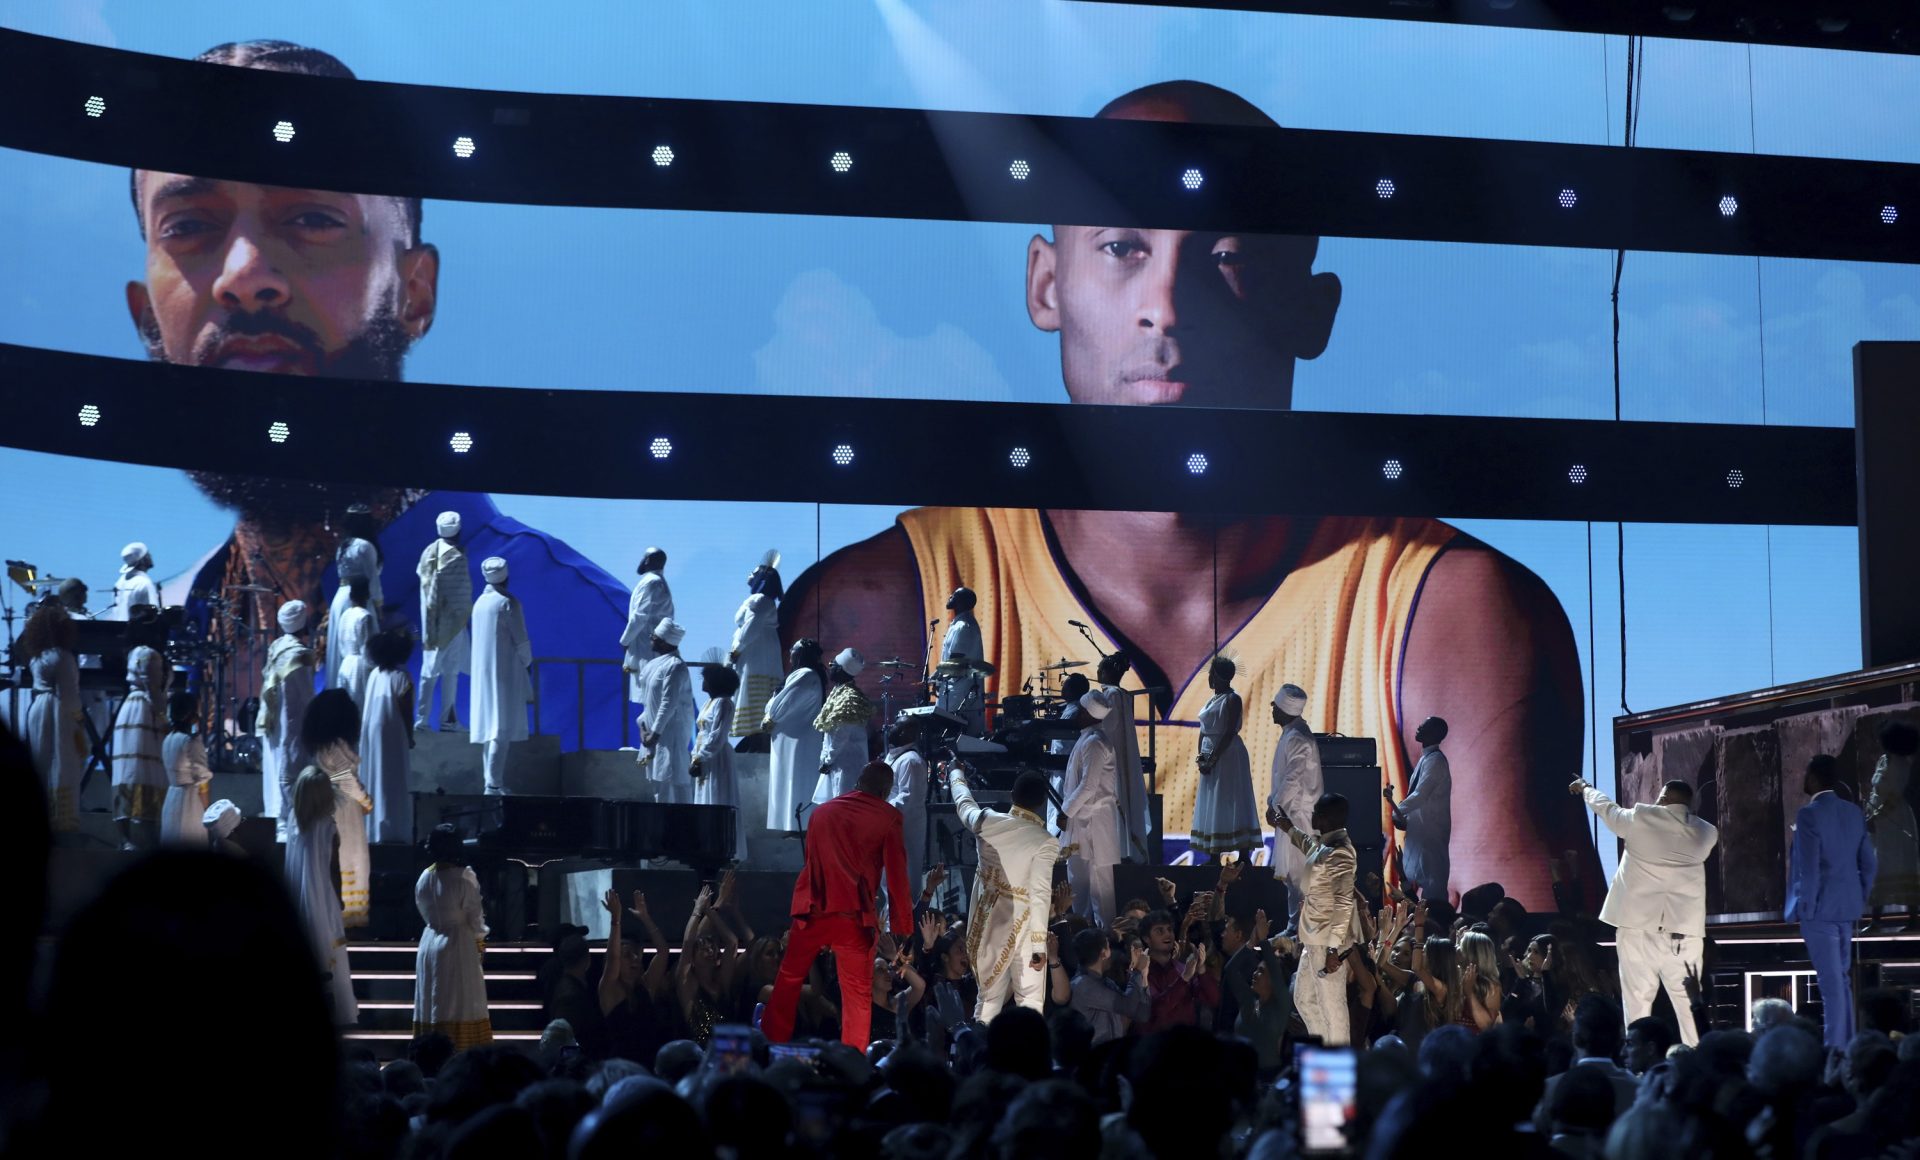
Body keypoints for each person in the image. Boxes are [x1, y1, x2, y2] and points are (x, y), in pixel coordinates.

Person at [782, 86, 1592, 912]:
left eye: (1227, 256)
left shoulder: (1452, 613)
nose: (1165, 308)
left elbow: (1526, 958)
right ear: (1047, 283)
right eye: (1122, 247)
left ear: (1311, 310)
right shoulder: (886, 600)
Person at [137, 43, 628, 750]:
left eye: (310, 218)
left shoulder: (589, 632)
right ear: (147, 321)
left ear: (414, 292)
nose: (243, 276)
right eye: (189, 226)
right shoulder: (145, 634)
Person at [763, 760, 912, 1049]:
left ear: (857, 783)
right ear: (885, 791)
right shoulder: (888, 817)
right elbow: (897, 875)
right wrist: (902, 924)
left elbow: (811, 864)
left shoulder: (821, 812)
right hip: (853, 917)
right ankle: (853, 1058)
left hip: (813, 910)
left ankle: (769, 1044)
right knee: (856, 995)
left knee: (789, 979)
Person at [1571, 776, 1718, 1046]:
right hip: (1683, 933)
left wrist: (1586, 789)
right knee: (1690, 1008)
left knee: (1637, 1004)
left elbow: (1608, 810)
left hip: (1637, 928)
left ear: (1664, 798)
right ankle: (1700, 1060)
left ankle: (1637, 1060)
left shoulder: (1641, 818)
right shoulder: (1707, 833)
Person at [947, 764, 1062, 1023]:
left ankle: (975, 1047)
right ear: (1042, 802)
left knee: (987, 1001)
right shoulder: (1044, 841)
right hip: (1027, 927)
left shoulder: (987, 820)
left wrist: (956, 774)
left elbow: (963, 803)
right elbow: (1040, 895)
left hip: (990, 922)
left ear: (1012, 795)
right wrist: (1039, 946)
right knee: (1031, 1003)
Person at [1787, 754, 1877, 1050]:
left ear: (1813, 778)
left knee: (1831, 985)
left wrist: (1806, 908)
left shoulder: (1809, 814)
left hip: (1819, 909)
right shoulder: (1853, 812)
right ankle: (1846, 1044)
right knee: (1842, 981)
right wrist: (1859, 898)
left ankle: (1836, 1050)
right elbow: (1869, 863)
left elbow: (1809, 869)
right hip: (1847, 908)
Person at [1269, 791, 1357, 1045]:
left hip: (1328, 942)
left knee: (1333, 1008)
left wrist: (1333, 949)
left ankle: (1337, 1063)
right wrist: (1287, 827)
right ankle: (1324, 1051)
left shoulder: (1341, 852)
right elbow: (1311, 848)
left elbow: (1343, 903)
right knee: (1304, 999)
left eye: (1317, 812)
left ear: (1327, 818)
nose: (1312, 815)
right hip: (1313, 940)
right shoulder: (1328, 845)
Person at [287, 765, 356, 1025]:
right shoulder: (327, 826)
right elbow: (333, 869)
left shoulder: (295, 822)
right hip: (322, 896)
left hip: (298, 895)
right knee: (327, 951)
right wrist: (340, 900)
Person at [415, 824, 493, 1051]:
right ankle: (459, 1053)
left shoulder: (424, 877)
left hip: (429, 941)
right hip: (458, 943)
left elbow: (423, 910)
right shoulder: (464, 876)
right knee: (460, 1003)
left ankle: (432, 1053)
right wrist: (480, 941)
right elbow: (475, 917)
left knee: (434, 1000)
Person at [303, 688, 372, 929]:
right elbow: (348, 782)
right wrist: (366, 800)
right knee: (350, 857)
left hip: (330, 804)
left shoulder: (321, 746)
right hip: (344, 809)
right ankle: (347, 919)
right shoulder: (336, 747)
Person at [21, 600, 84, 833]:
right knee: (62, 762)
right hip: (58, 711)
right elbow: (69, 694)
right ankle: (61, 824)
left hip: (38, 709)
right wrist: (79, 719)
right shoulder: (63, 656)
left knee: (41, 762)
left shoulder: (36, 657)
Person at [471, 557, 531, 796]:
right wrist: (528, 663)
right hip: (504, 671)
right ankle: (493, 784)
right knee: (500, 727)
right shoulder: (507, 603)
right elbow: (521, 640)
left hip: (483, 672)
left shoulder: (479, 603)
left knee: (490, 727)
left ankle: (491, 781)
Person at [1061, 689, 1120, 925]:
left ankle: (1107, 935)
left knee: (1099, 883)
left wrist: (1065, 812)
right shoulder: (1088, 738)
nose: (1077, 714)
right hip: (1081, 820)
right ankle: (1080, 930)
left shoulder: (1095, 743)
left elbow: (1088, 786)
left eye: (1081, 710)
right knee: (1079, 880)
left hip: (1094, 822)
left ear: (1088, 714)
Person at [259, 599, 316, 842]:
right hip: (292, 722)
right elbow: (306, 694)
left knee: (277, 768)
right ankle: (286, 825)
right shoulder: (298, 654)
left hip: (274, 721)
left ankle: (278, 821)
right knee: (289, 768)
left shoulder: (277, 646)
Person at [1192, 656, 1259, 863]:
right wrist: (1201, 757)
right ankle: (1214, 853)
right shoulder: (1212, 700)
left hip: (1228, 755)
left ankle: (1243, 854)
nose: (1210, 678)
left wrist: (1213, 758)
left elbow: (1229, 731)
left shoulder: (1232, 699)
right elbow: (1203, 731)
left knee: (1232, 798)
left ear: (1220, 676)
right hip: (1210, 754)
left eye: (1212, 674)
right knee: (1214, 801)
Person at [1269, 683, 1323, 936]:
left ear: (1285, 709)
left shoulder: (1298, 738)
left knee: (1300, 875)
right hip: (1289, 814)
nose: (1272, 708)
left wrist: (1275, 807)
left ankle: (1303, 931)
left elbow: (1293, 779)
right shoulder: (1292, 733)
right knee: (1293, 876)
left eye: (1275, 705)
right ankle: (1294, 927)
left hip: (1298, 818)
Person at [1386, 716, 1454, 903]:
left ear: (1435, 734)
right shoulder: (1427, 759)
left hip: (1431, 833)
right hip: (1421, 832)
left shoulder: (1436, 761)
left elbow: (1421, 794)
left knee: (1433, 886)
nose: (1418, 727)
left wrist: (1398, 811)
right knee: (1413, 878)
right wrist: (1405, 819)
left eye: (1424, 726)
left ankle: (1435, 917)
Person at [415, 510, 471, 731]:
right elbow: (460, 596)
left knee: (428, 673)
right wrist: (465, 617)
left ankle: (422, 720)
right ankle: (448, 720)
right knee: (450, 672)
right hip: (451, 624)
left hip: (431, 624)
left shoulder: (428, 552)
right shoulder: (456, 557)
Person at [762, 638, 825, 833]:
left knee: (796, 780)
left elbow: (781, 705)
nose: (790, 653)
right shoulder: (801, 674)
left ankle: (799, 826)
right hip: (790, 739)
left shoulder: (806, 675)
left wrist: (770, 716)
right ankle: (791, 825)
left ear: (801, 654)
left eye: (793, 650)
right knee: (789, 780)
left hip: (798, 741)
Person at [110, 644, 169, 850]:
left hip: (129, 710)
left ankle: (126, 837)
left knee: (127, 771)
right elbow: (152, 688)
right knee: (145, 770)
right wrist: (163, 715)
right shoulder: (150, 657)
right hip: (144, 713)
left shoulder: (137, 654)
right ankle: (145, 836)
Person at [360, 627, 416, 843]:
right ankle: (391, 829)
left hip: (372, 731)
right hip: (392, 732)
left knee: (375, 775)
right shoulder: (402, 677)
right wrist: (410, 736)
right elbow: (406, 710)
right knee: (392, 778)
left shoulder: (375, 674)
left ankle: (375, 828)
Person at [1096, 653, 1153, 865]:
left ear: (1106, 672)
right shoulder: (1121, 694)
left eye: (1100, 670)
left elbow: (1107, 727)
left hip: (1112, 756)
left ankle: (1117, 848)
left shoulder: (1112, 695)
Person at [1865, 721, 1920, 931]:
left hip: (1895, 821)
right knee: (1879, 867)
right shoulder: (1884, 760)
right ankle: (1876, 920)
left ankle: (1913, 918)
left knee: (1901, 865)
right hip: (1882, 824)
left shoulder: (1901, 764)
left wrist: (1875, 817)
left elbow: (1894, 796)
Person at [690, 659, 746, 863]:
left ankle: (724, 847)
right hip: (705, 758)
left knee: (719, 796)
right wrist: (696, 757)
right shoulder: (709, 703)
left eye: (705, 679)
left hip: (717, 757)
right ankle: (707, 846)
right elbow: (702, 734)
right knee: (705, 798)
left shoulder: (724, 703)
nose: (703, 683)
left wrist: (700, 758)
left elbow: (717, 736)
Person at [636, 618, 695, 804]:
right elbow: (648, 703)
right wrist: (643, 729)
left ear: (664, 642)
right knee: (659, 786)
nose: (650, 639)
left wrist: (655, 733)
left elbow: (668, 703)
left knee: (674, 781)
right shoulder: (652, 665)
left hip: (670, 734)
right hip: (653, 735)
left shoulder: (675, 666)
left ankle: (681, 820)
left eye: (654, 637)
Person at [729, 550, 783, 736]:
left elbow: (751, 626)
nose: (749, 575)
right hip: (760, 648)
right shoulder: (762, 601)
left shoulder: (759, 600)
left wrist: (737, 649)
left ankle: (756, 734)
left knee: (754, 688)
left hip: (756, 650)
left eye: (753, 573)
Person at [1068, 927, 1151, 1046]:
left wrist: (1143, 974)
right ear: (1103, 953)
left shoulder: (1106, 982)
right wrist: (1137, 972)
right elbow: (1128, 1006)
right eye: (1108, 947)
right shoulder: (1083, 985)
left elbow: (1142, 1014)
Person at [812, 648, 874, 805]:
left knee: (846, 805)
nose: (829, 667)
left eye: (833, 664)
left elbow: (841, 735)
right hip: (837, 762)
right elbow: (829, 732)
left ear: (840, 669)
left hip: (847, 764)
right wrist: (825, 759)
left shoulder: (850, 698)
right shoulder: (839, 692)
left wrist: (828, 760)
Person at [328, 503, 384, 666]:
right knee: (364, 647)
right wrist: (379, 606)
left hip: (341, 598)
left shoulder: (343, 546)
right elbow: (373, 579)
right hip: (360, 597)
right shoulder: (365, 546)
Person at [620, 548, 673, 708]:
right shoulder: (657, 581)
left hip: (647, 643)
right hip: (652, 642)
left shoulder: (651, 582)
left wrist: (625, 641)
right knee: (651, 692)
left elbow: (640, 616)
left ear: (648, 560)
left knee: (650, 691)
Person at [884, 719, 929, 907]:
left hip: (905, 829)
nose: (890, 727)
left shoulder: (911, 761)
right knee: (889, 879)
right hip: (890, 826)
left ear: (907, 732)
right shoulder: (896, 757)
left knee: (904, 878)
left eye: (896, 725)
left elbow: (907, 798)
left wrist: (879, 810)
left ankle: (906, 922)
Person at [160, 690, 212, 847]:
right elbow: (202, 779)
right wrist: (207, 809)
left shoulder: (168, 740)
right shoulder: (191, 742)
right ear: (192, 716)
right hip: (190, 801)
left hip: (171, 798)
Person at [936, 587, 987, 735]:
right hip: (954, 690)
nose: (950, 596)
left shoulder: (963, 627)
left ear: (962, 602)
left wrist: (938, 678)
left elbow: (955, 661)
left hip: (960, 692)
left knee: (955, 733)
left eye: (954, 595)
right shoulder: (958, 624)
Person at [329, 577, 375, 703]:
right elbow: (367, 650)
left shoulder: (345, 614)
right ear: (367, 595)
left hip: (345, 665)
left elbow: (341, 643)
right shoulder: (365, 617)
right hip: (360, 669)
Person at [109, 541, 160, 621]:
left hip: (121, 628)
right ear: (142, 560)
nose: (150, 556)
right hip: (138, 628)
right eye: (147, 554)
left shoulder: (119, 583)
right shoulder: (144, 583)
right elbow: (152, 616)